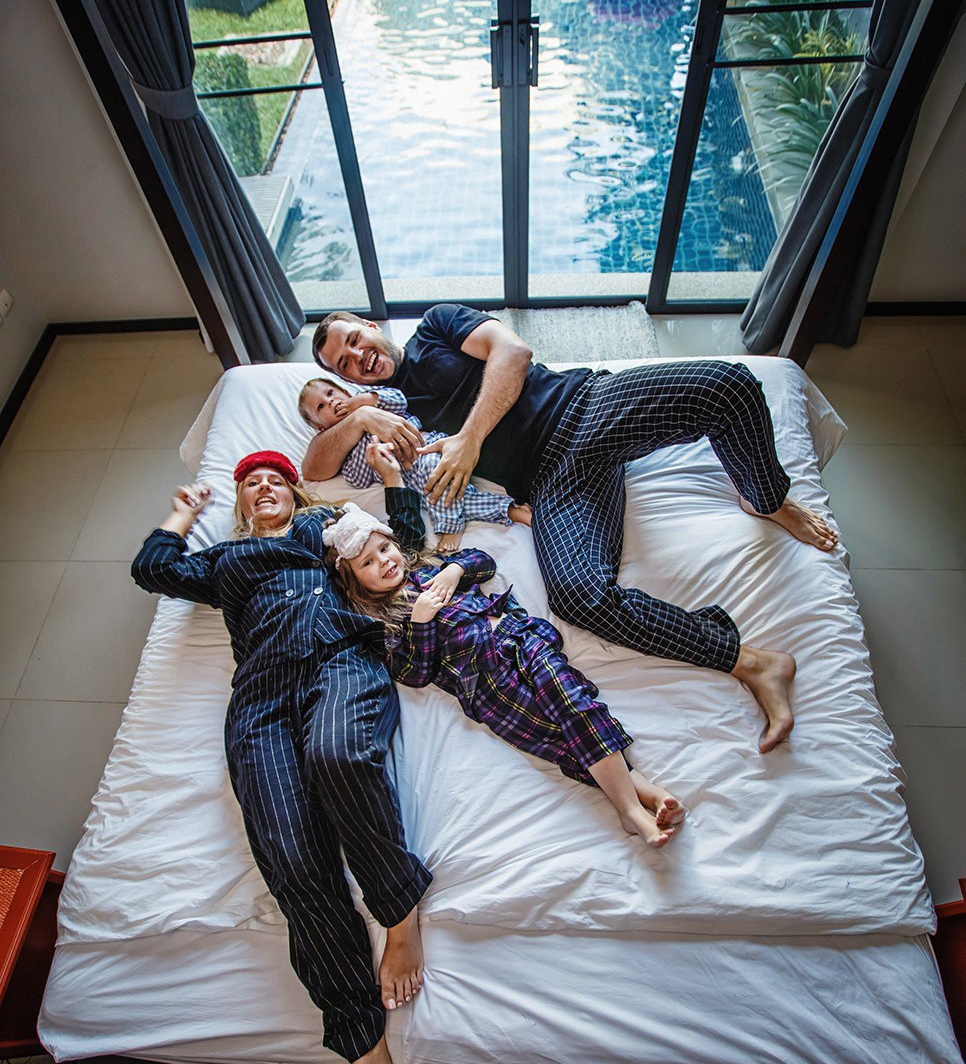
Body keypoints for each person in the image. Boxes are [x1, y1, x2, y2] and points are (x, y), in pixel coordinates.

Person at [306, 305, 839, 754]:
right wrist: (359, 419)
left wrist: (470, 439)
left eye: (355, 341)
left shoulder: (436, 326)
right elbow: (313, 468)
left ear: (371, 326)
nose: (358, 358)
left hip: (583, 407)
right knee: (578, 596)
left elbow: (513, 352)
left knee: (729, 386)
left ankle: (766, 499)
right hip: (552, 481)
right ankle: (753, 663)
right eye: (344, 365)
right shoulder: (386, 416)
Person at [131, 450, 432, 1064]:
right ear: (241, 504)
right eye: (251, 483)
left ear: (295, 494)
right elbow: (152, 569)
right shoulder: (222, 561)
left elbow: (403, 542)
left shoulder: (322, 528)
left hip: (338, 659)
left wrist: (393, 482)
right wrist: (182, 515)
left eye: (275, 480)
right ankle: (366, 1054)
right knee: (292, 862)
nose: (263, 487)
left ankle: (400, 913)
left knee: (340, 754)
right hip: (260, 700)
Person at [324, 441, 687, 848]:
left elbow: (484, 562)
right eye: (368, 563)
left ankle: (631, 808)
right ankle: (640, 795)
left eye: (384, 548)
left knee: (574, 705)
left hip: (519, 637)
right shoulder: (388, 621)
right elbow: (413, 673)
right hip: (486, 682)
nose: (385, 561)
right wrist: (421, 623)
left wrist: (455, 569)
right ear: (355, 582)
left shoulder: (428, 568)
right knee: (553, 734)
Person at [298, 373, 532, 551]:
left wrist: (365, 401)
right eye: (321, 407)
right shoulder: (349, 452)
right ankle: (512, 511)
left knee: (438, 482)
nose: (331, 402)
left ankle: (451, 527)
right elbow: (357, 480)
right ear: (321, 427)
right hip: (414, 482)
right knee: (448, 499)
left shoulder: (374, 402)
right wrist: (372, 457)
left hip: (427, 450)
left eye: (331, 393)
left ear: (345, 392)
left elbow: (398, 400)